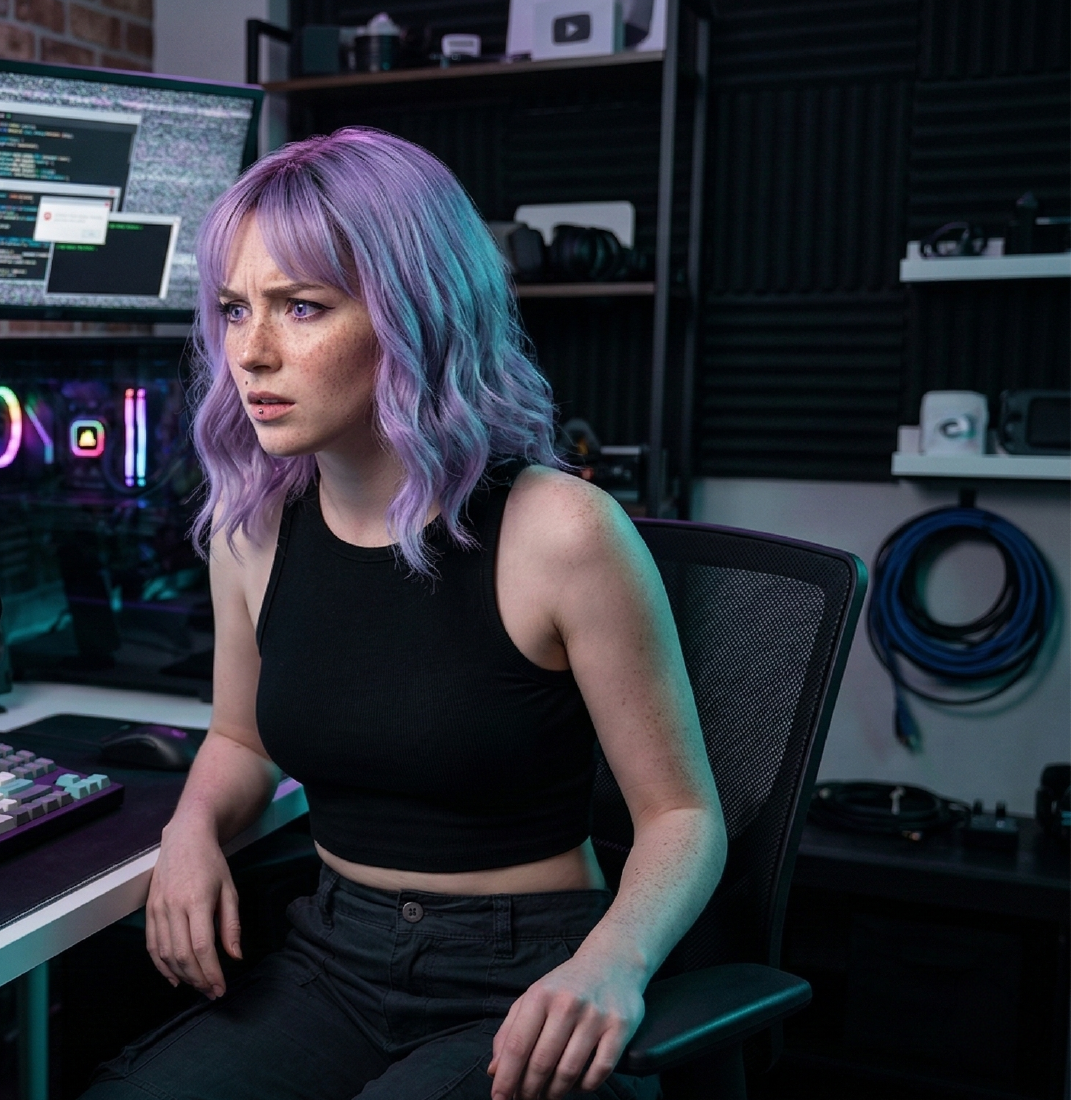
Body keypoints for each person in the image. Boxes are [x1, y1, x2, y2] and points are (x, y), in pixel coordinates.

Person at [80, 128, 727, 1100]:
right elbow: (238, 735)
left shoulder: (560, 531)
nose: (249, 353)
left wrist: (613, 961)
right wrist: (189, 832)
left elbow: (680, 813)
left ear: (411, 315)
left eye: (300, 307)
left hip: (523, 971)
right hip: (329, 953)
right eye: (231, 310)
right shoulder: (249, 530)